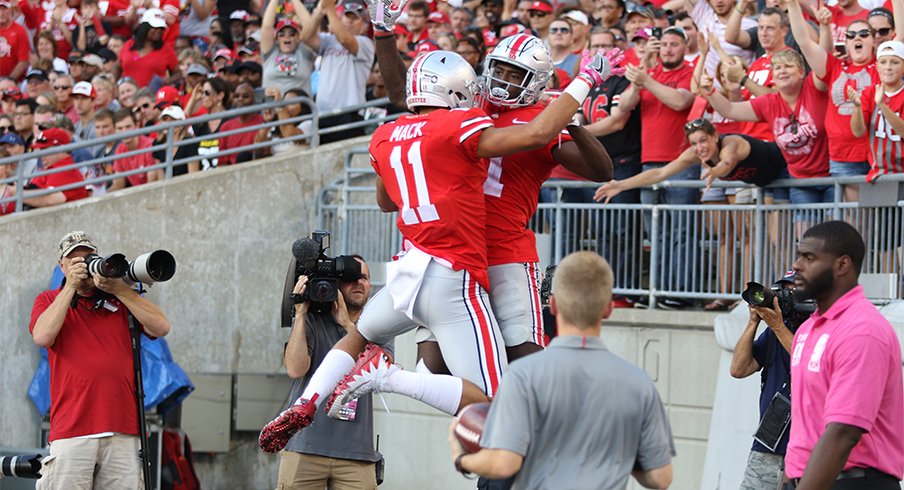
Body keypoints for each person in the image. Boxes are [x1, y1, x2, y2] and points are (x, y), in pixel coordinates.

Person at [259, 46, 621, 454]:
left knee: (502, 357)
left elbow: (597, 168)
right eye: (497, 69)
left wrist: (569, 120)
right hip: (459, 266)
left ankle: (311, 399)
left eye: (513, 73)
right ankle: (508, 449)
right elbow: (422, 100)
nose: (500, 80)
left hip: (452, 260)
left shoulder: (402, 131)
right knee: (463, 383)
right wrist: (584, 82)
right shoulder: (465, 117)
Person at [448, 251, 675, 489]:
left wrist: (461, 457)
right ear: (608, 309)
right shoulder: (638, 383)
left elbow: (504, 465)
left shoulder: (523, 375)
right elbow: (661, 478)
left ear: (553, 306)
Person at [30, 231, 171, 489]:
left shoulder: (120, 299)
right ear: (61, 265)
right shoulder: (49, 300)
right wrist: (70, 287)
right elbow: (42, 336)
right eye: (74, 261)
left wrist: (120, 289)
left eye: (88, 258)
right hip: (73, 429)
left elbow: (161, 327)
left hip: (123, 429)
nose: (83, 265)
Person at [784, 221, 903, 489]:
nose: (797, 265)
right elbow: (803, 433)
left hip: (855, 482)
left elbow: (844, 432)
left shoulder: (862, 331)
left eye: (809, 257)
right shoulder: (808, 328)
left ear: (842, 265)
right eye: (799, 255)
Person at [278, 256, 386, 489]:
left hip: (357, 453)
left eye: (364, 278)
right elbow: (295, 369)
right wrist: (301, 314)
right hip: (305, 446)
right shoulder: (314, 320)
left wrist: (348, 325)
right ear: (336, 284)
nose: (359, 283)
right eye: (350, 278)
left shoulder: (379, 325)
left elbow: (380, 373)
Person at [618, 26, 697, 309]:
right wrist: (641, 75)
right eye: (663, 45)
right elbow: (623, 107)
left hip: (681, 162)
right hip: (649, 161)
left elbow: (680, 101)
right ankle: (659, 290)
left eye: (674, 44)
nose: (668, 49)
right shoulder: (648, 75)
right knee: (656, 233)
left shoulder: (689, 72)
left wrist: (646, 80)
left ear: (685, 48)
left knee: (681, 230)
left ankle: (680, 291)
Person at [729, 272, 803, 490]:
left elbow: (805, 363)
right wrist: (753, 322)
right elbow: (738, 369)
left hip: (807, 449)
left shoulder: (817, 328)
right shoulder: (774, 331)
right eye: (782, 290)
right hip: (768, 444)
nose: (785, 296)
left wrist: (778, 326)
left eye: (792, 290)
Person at [302, 0, 375, 143]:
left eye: (355, 18)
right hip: (323, 113)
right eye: (348, 16)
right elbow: (305, 37)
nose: (350, 21)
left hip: (349, 112)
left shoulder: (366, 43)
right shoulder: (329, 40)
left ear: (364, 26)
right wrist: (320, 11)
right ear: (342, 17)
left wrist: (330, 9)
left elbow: (345, 39)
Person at [849, 40, 904, 182]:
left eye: (895, 62)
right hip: (878, 175)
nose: (888, 67)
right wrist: (857, 107)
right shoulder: (869, 92)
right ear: (877, 67)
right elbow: (858, 132)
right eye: (883, 62)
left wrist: (882, 105)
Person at [260, 0, 316, 97]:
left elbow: (309, 26)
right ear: (276, 39)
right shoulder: (270, 53)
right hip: (272, 110)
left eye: (292, 34)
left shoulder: (304, 53)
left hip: (301, 110)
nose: (287, 37)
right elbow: (266, 26)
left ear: (298, 37)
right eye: (282, 34)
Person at [109, 109, 159, 190]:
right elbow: (118, 185)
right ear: (115, 130)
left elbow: (152, 185)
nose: (124, 132)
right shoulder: (120, 149)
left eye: (128, 127)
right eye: (120, 128)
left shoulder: (150, 146)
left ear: (136, 126)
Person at [0, 0, 32, 81]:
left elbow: (24, 61)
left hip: (14, 80)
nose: (1, 13)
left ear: (10, 9)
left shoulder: (19, 30)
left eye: (4, 9)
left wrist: (9, 80)